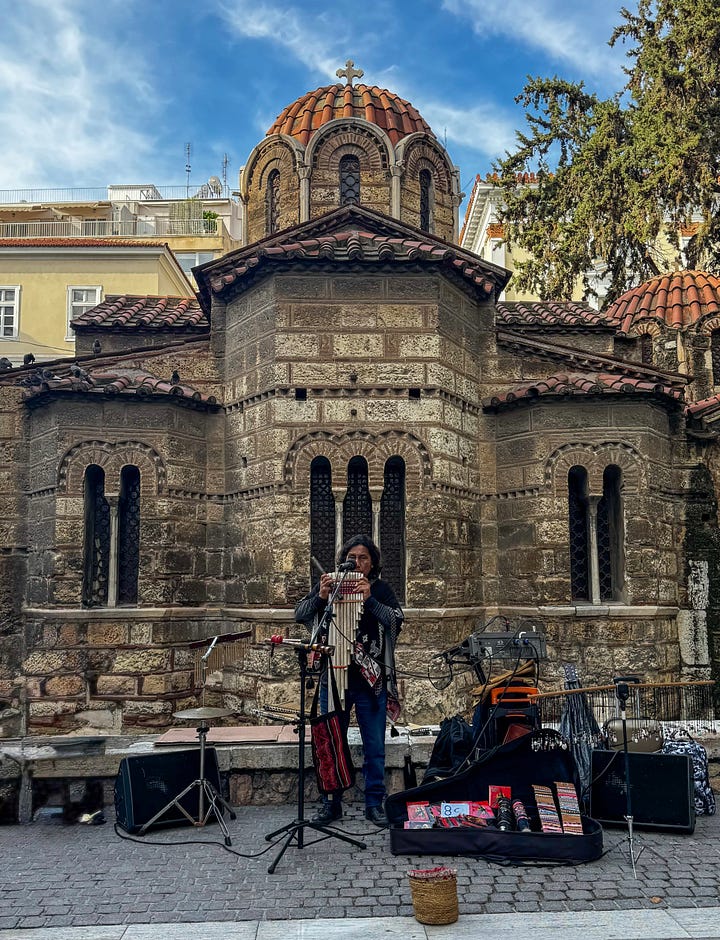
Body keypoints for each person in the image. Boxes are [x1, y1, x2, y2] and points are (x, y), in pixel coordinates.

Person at [295, 534, 403, 826]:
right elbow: (299, 614)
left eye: (363, 557)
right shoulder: (328, 586)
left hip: (371, 680)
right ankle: (331, 802)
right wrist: (320, 597)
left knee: (374, 746)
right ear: (344, 560)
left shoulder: (381, 589)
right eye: (352, 557)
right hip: (334, 675)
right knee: (331, 743)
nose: (357, 562)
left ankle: (374, 803)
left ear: (372, 563)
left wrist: (369, 601)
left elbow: (396, 621)